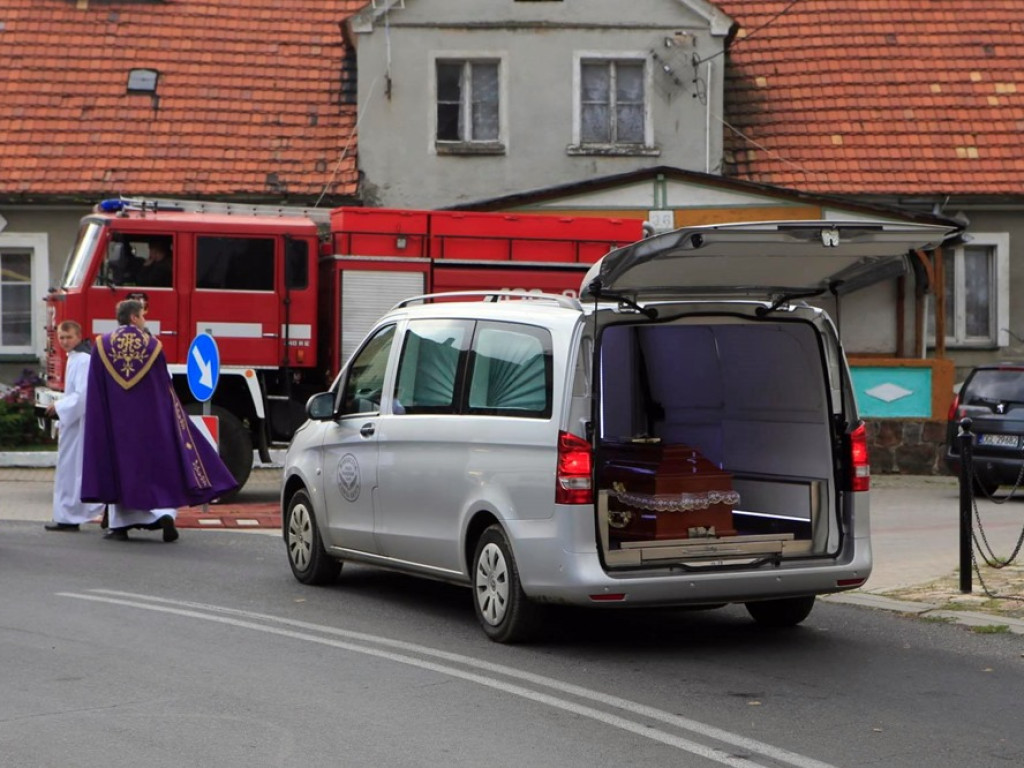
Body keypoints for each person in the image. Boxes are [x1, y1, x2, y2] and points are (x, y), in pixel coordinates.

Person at [81, 299, 237, 541]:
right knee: (158, 467)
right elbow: (163, 386)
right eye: (143, 315)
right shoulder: (153, 345)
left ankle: (121, 526)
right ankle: (164, 514)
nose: (145, 319)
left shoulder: (102, 345)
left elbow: (96, 389)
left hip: (116, 422)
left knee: (121, 468)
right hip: (149, 422)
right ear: (134, 318)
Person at [44, 321, 106, 531]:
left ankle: (70, 516)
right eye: (61, 337)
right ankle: (67, 514)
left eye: (68, 337)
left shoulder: (83, 360)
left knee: (72, 469)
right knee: (69, 469)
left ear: (79, 336)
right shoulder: (75, 358)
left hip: (79, 425)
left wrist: (60, 406)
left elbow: (82, 395)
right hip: (73, 423)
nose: (64, 341)